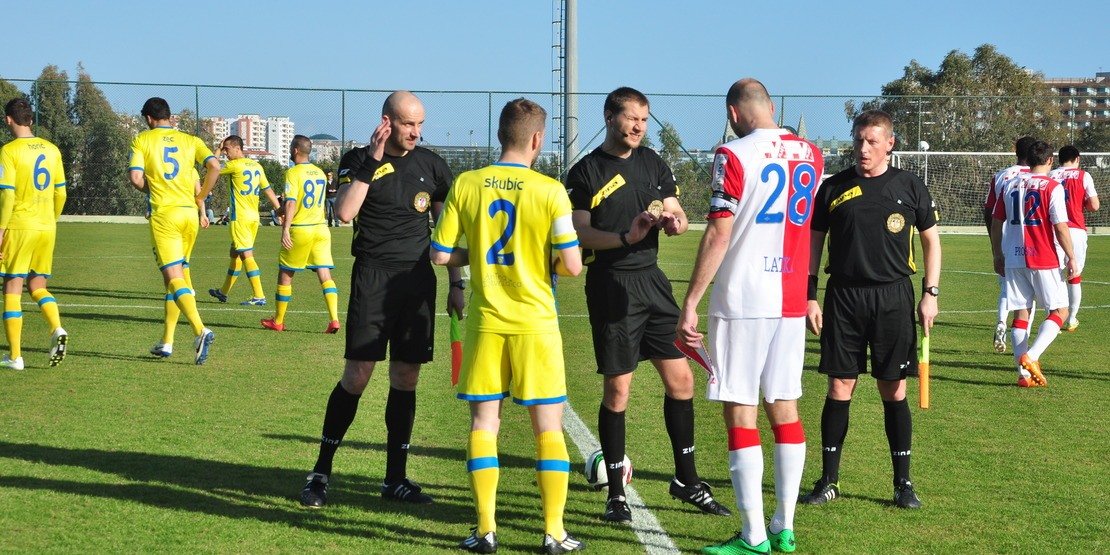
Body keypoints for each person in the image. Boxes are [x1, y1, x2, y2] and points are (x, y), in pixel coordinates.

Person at [566, 86, 729, 522]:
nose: (639, 126)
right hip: (611, 284)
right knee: (618, 390)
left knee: (682, 383)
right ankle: (616, 494)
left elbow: (675, 212)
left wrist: (675, 221)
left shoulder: (655, 164)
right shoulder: (584, 173)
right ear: (610, 117)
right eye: (632, 118)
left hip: (653, 284)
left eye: (644, 118)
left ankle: (686, 480)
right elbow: (580, 233)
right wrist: (625, 238)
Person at [431, 97, 585, 555]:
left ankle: (485, 531)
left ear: (501, 135)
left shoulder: (467, 183)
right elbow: (573, 266)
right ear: (537, 139)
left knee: (484, 422)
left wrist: (475, 256)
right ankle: (554, 533)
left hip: (486, 321)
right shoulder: (550, 190)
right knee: (548, 427)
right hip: (536, 323)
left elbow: (440, 254)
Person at [678, 79, 823, 555]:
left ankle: (753, 535)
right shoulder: (812, 154)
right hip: (789, 298)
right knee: (784, 406)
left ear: (734, 114)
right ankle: (784, 526)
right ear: (773, 107)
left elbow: (720, 232)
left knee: (739, 408)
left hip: (744, 297)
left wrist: (693, 298)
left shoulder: (733, 154)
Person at [298, 91, 463, 508]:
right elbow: (345, 213)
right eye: (408, 124)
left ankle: (395, 479)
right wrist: (372, 161)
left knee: (406, 378)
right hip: (373, 278)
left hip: (417, 282)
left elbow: (446, 230)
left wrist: (457, 283)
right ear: (386, 122)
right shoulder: (357, 160)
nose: (416, 132)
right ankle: (320, 472)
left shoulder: (432, 166)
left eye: (420, 124)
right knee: (357, 376)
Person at [801, 109, 940, 510]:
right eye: (859, 140)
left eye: (872, 141)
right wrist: (811, 294)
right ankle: (828, 479)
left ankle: (903, 484)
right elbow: (814, 245)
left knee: (893, 389)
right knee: (839, 387)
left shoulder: (910, 186)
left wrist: (930, 293)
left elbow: (932, 242)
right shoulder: (833, 188)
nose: (863, 149)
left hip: (893, 298)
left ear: (889, 144)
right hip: (843, 298)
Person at [128, 97, 217, 365]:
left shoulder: (143, 140)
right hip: (189, 215)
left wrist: (153, 188)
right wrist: (201, 196)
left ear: (148, 119)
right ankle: (167, 341)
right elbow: (214, 166)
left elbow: (135, 178)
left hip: (165, 215)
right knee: (178, 277)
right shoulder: (190, 140)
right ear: (170, 116)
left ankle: (200, 330)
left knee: (173, 275)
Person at [991, 140, 1077, 387]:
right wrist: (1071, 256)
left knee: (1021, 312)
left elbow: (997, 223)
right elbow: (1060, 227)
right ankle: (1032, 356)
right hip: (1044, 257)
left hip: (1014, 257)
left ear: (1027, 159)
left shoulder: (1009, 184)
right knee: (1059, 311)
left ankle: (1023, 374)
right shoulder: (1053, 186)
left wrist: (998, 254)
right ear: (1050, 160)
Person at [0, 97, 68, 370]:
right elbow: (61, 192)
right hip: (46, 226)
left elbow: (7, 195)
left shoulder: (9, 151)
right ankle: (57, 327)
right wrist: (50, 219)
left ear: (8, 120)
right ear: (30, 119)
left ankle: (15, 356)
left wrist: (1, 228)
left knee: (12, 286)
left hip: (19, 225)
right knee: (38, 286)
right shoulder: (52, 150)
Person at [260, 135, 339, 333]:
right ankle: (334, 320)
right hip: (320, 229)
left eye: (289, 147)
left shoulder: (293, 172)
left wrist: (285, 227)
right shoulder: (320, 172)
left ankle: (278, 320)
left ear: (295, 150)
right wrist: (282, 211)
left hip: (301, 229)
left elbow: (292, 202)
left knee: (286, 273)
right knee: (324, 273)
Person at [207, 135, 283, 306]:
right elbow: (268, 190)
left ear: (237, 148)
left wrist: (217, 150)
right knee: (235, 253)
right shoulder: (256, 166)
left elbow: (212, 166)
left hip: (240, 217)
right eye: (224, 149)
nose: (225, 152)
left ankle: (259, 295)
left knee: (246, 254)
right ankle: (223, 292)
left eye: (227, 149)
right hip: (253, 217)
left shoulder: (234, 165)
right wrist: (279, 209)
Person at [984, 137, 1034, 354]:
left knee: (1007, 286)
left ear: (1016, 152)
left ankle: (1002, 323)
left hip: (1005, 237)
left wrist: (994, 242)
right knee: (1030, 292)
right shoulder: (1040, 176)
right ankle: (1025, 340)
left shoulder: (1001, 176)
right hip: (1033, 240)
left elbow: (989, 211)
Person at [1049, 145, 1099, 332]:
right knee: (1074, 275)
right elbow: (1094, 205)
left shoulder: (1051, 175)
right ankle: (1071, 318)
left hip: (1054, 230)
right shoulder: (1083, 175)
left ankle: (1054, 315)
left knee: (1054, 274)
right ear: (1077, 159)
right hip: (1076, 230)